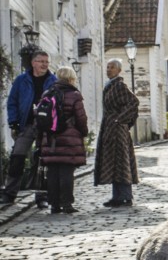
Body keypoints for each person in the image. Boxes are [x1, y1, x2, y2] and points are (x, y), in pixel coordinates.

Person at [1, 49, 57, 208]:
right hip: (26, 124)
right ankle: (10, 194)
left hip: (45, 127)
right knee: (17, 157)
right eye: (41, 61)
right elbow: (12, 102)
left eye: (46, 62)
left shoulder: (53, 81)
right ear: (33, 63)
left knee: (41, 161)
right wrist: (13, 122)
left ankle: (42, 197)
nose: (44, 65)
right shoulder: (21, 80)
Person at [38, 66, 89, 215]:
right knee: (66, 172)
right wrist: (83, 132)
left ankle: (54, 205)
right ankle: (67, 203)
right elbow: (81, 118)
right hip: (69, 138)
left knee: (53, 172)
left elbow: (41, 118)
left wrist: (41, 139)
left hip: (50, 139)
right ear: (71, 78)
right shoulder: (74, 95)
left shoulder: (47, 93)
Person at [94, 58, 139, 208]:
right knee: (113, 162)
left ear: (119, 70)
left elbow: (133, 102)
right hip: (110, 128)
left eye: (111, 67)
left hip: (117, 130)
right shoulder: (110, 85)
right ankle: (117, 196)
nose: (108, 69)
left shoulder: (119, 86)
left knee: (121, 161)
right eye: (107, 67)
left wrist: (120, 120)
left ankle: (125, 196)